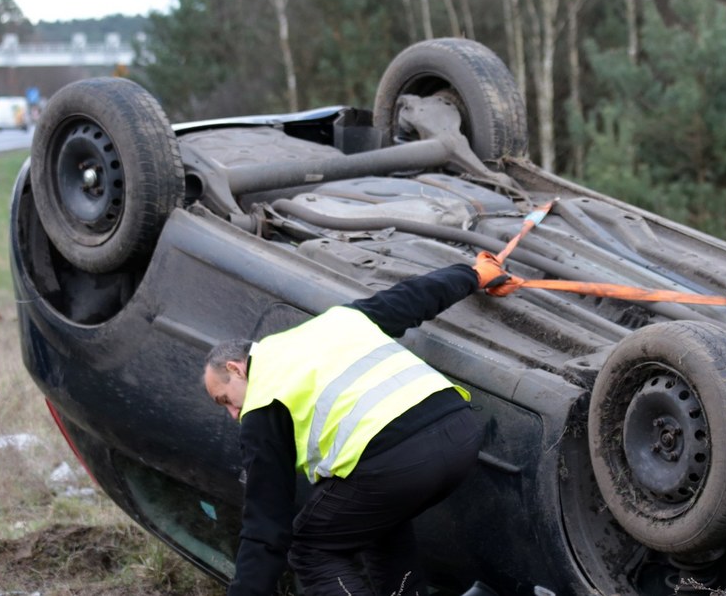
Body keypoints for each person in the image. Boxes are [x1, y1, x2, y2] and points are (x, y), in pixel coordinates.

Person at [203, 251, 522, 596]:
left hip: (397, 462)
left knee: (312, 549)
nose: (233, 413)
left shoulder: (263, 401)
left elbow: (266, 525)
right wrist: (473, 274)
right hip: (458, 434)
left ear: (236, 368)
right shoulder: (336, 324)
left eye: (226, 400)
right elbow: (415, 296)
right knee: (378, 525)